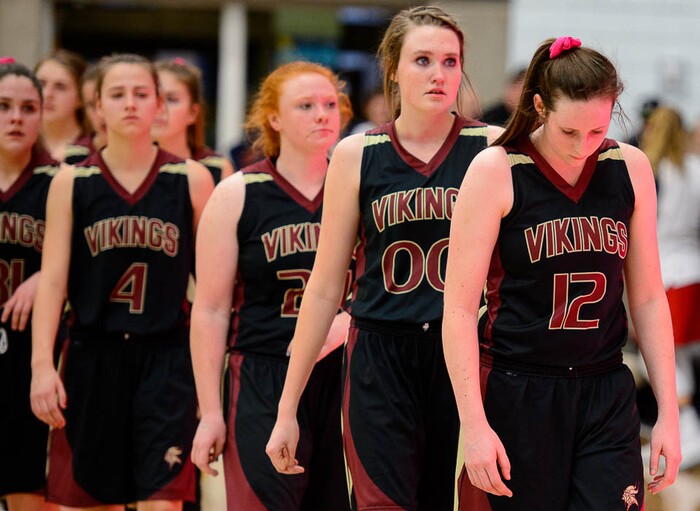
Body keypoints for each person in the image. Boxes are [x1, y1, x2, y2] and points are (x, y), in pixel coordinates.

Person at [265, 6, 502, 510]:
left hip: (463, 358)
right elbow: (326, 285)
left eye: (450, 61)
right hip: (379, 354)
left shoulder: (493, 147)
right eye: (422, 60)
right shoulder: (357, 155)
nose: (439, 74)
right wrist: (288, 406)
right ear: (392, 68)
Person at [442, 36, 680, 511]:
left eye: (596, 131)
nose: (582, 147)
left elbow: (649, 298)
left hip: (604, 391)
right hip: (516, 390)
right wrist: (474, 425)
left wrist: (669, 415)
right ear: (538, 106)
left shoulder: (629, 167)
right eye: (569, 132)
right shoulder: (496, 169)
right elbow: (459, 308)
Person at [29, 53, 214, 510]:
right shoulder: (72, 181)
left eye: (141, 94)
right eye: (117, 94)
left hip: (166, 359)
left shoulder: (190, 179)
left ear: (159, 106)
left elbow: (212, 290)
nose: (130, 104)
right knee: (88, 502)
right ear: (97, 107)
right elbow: (51, 283)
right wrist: (40, 366)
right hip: (92, 354)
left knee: (162, 502)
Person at [189, 60, 353, 511]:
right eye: (306, 105)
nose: (323, 114)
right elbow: (209, 310)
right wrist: (210, 412)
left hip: (349, 374)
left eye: (329, 104)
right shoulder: (238, 192)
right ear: (274, 118)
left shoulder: (359, 184)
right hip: (263, 372)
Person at [0, 57, 60, 511]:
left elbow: (86, 262)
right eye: (3, 106)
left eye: (27, 107)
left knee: (25, 487)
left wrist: (45, 275)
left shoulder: (60, 182)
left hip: (31, 351)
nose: (16, 117)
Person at [640, 106, 700, 470]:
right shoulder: (695, 169)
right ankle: (686, 431)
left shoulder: (654, 170)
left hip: (668, 275)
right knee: (683, 360)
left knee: (664, 360)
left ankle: (688, 430)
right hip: (693, 272)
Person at [153, 57, 234, 184]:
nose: (159, 108)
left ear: (193, 113)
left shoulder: (216, 168)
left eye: (171, 99)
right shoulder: (124, 166)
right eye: (152, 97)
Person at [34, 49, 88, 162]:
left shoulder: (94, 149)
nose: (47, 94)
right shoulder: (20, 144)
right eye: (41, 84)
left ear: (81, 98)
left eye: (60, 87)